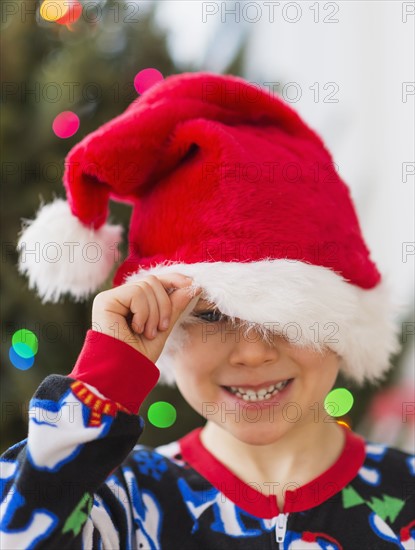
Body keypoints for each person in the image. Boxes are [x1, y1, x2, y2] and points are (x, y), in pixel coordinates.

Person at [1, 72, 414, 549]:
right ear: (163, 326)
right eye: (212, 315)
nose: (254, 353)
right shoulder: (119, 503)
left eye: (287, 316)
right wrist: (105, 379)